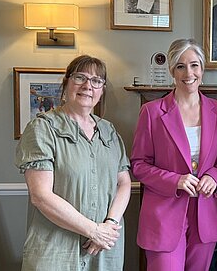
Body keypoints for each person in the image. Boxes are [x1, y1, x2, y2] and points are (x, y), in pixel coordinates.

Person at [15, 55, 131, 270]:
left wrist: (109, 225)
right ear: (66, 83)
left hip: (103, 247)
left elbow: (123, 183)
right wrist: (93, 230)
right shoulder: (42, 128)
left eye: (96, 81)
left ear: (102, 90)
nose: (88, 86)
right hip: (56, 248)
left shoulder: (109, 131)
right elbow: (41, 196)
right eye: (80, 77)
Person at [130, 39, 217, 271]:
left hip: (206, 213)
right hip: (163, 216)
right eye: (181, 66)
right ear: (172, 70)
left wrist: (215, 177)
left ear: (202, 69)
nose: (189, 73)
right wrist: (175, 180)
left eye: (195, 65)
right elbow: (139, 164)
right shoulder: (151, 112)